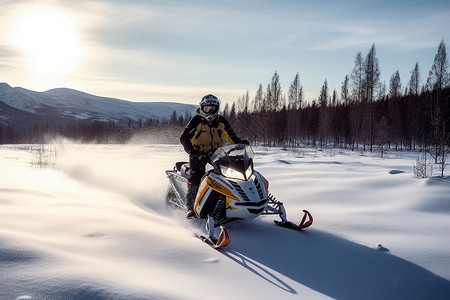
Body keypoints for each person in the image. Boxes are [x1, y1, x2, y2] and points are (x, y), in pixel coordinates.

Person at [180, 94, 248, 218]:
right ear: (202, 108)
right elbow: (184, 137)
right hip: (198, 153)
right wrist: (191, 150)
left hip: (216, 153)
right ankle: (191, 207)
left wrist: (240, 143)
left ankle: (231, 203)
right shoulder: (196, 121)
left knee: (229, 174)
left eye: (212, 108)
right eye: (207, 108)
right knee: (196, 176)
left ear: (217, 108)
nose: (210, 111)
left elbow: (231, 137)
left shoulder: (221, 121)